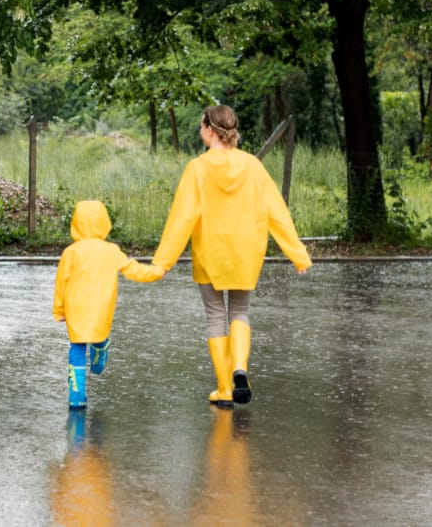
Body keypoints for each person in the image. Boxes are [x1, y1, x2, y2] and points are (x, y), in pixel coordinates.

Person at [152, 104, 311, 407]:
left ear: (210, 130)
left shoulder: (197, 168)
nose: (200, 131)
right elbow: (276, 211)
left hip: (210, 252)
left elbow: (182, 218)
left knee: (215, 317)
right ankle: (241, 369)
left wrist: (163, 262)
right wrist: (297, 253)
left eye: (201, 126)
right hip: (245, 251)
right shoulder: (252, 166)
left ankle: (225, 388)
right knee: (239, 312)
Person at [53, 200, 164, 410]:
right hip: (101, 307)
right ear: (104, 222)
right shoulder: (111, 250)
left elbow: (61, 282)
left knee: (76, 347)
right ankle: (100, 352)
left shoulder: (71, 252)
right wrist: (156, 272)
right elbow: (132, 269)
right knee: (98, 334)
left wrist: (59, 309)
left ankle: (76, 395)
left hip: (75, 307)